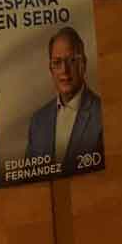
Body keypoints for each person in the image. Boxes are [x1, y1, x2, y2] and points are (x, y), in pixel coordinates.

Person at [24, 26, 104, 173]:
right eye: (57, 62)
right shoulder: (37, 121)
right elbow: (30, 178)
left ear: (83, 64)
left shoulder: (103, 114)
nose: (64, 70)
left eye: (72, 60)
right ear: (51, 69)